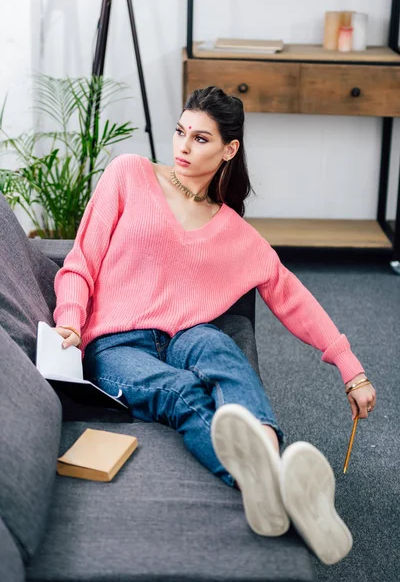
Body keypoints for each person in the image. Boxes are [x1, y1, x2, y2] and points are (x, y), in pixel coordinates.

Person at [53, 85, 376, 566]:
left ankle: (272, 464)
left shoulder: (235, 233)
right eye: (181, 132)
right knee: (180, 391)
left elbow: (291, 295)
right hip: (117, 344)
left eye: (200, 139)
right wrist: (70, 323)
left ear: (229, 149)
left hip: (184, 336)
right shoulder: (129, 174)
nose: (183, 147)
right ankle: (268, 485)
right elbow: (80, 262)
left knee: (222, 351)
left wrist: (351, 368)